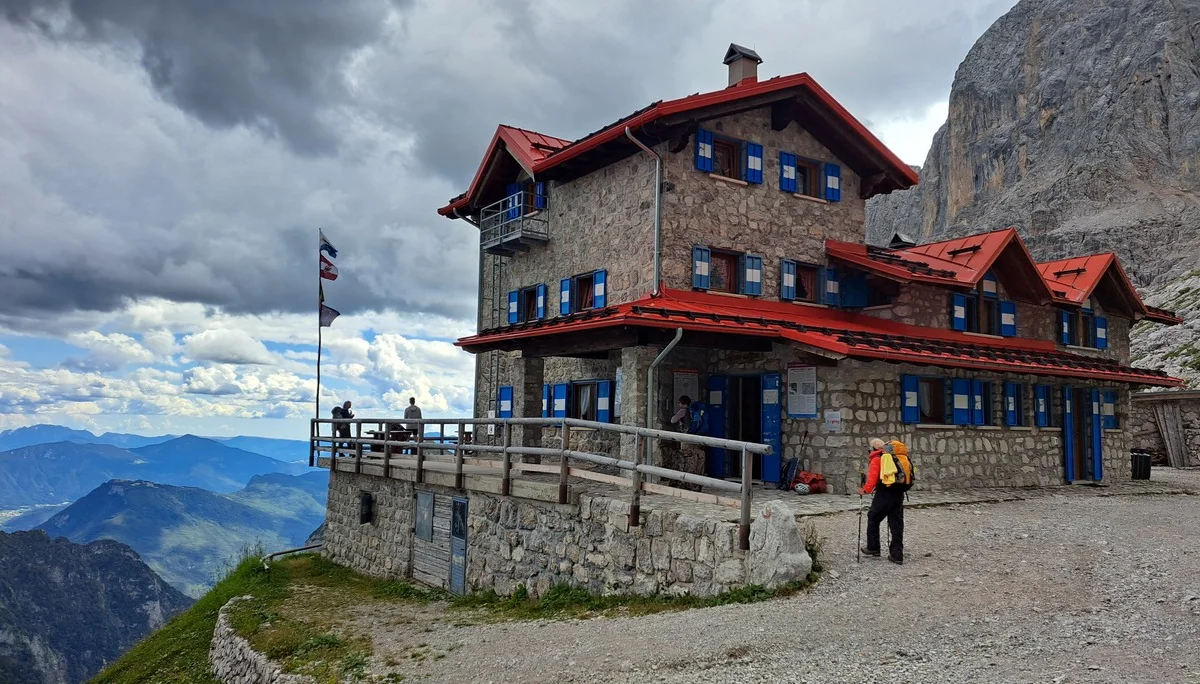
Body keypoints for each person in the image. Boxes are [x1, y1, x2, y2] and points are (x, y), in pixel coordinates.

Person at [860, 437, 904, 564]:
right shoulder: (894, 457)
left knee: (873, 516)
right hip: (898, 492)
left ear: (873, 449)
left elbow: (872, 479)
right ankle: (897, 555)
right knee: (896, 523)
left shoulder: (877, 459)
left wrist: (865, 490)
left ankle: (873, 548)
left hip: (885, 492)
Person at [664, 395, 704, 492]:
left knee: (687, 458)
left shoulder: (682, 411)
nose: (678, 404)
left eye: (679, 402)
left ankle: (687, 482)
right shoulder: (693, 411)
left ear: (682, 403)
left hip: (686, 437)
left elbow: (673, 420)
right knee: (695, 458)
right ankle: (694, 482)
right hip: (695, 437)